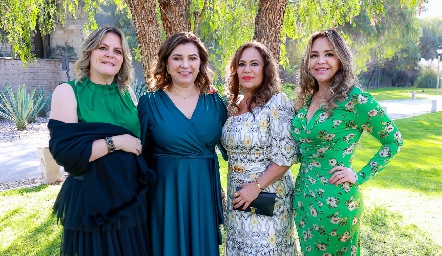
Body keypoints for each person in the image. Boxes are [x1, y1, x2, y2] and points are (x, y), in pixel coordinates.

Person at [291, 29, 404, 255]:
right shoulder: (307, 98)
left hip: (336, 204)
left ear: (341, 59)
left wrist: (359, 176)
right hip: (304, 200)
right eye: (314, 55)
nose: (320, 61)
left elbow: (394, 141)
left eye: (329, 54)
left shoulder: (355, 99)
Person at [48, 25, 155, 255]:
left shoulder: (127, 94)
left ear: (123, 59)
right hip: (93, 203)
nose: (110, 54)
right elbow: (65, 153)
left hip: (130, 198)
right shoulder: (68, 92)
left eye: (117, 51)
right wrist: (116, 142)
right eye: (103, 47)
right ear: (89, 52)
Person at [138, 32, 227, 256]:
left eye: (192, 58)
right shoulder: (149, 103)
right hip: (165, 196)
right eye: (177, 58)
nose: (185, 65)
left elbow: (238, 148)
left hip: (203, 193)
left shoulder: (215, 102)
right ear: (166, 63)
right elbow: (139, 157)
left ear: (201, 63)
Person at [220, 41, 299, 255]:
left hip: (267, 196)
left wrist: (256, 187)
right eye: (242, 64)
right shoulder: (234, 105)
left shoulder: (277, 102)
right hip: (238, 198)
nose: (247, 69)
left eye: (254, 64)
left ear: (265, 69)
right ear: (235, 70)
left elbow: (287, 155)